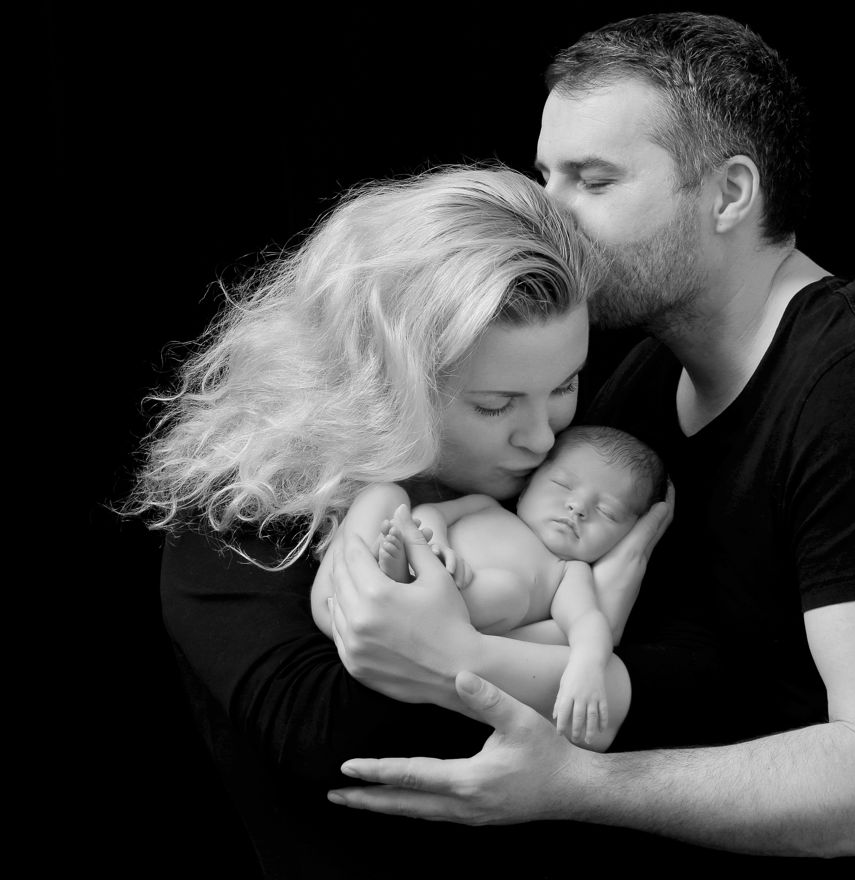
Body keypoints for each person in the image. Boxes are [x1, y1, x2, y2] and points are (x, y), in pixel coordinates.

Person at [324, 12, 855, 874]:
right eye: (546, 177)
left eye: (593, 181)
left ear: (729, 194)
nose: (548, 216)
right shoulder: (640, 380)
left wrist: (574, 785)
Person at [130, 165, 673, 877]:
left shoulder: (569, 475)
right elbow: (332, 737)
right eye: (495, 405)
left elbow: (695, 685)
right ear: (383, 388)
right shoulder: (239, 523)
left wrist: (467, 652)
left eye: (565, 385)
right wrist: (582, 628)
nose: (542, 437)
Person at [311, 424, 668, 744]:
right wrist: (436, 543)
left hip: (442, 625)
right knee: (386, 495)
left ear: (625, 536)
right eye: (562, 485)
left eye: (607, 511)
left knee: (508, 592)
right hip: (400, 572)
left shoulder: (568, 573)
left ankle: (400, 590)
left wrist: (586, 667)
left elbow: (588, 622)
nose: (577, 507)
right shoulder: (485, 506)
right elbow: (431, 514)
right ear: (528, 485)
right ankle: (354, 592)